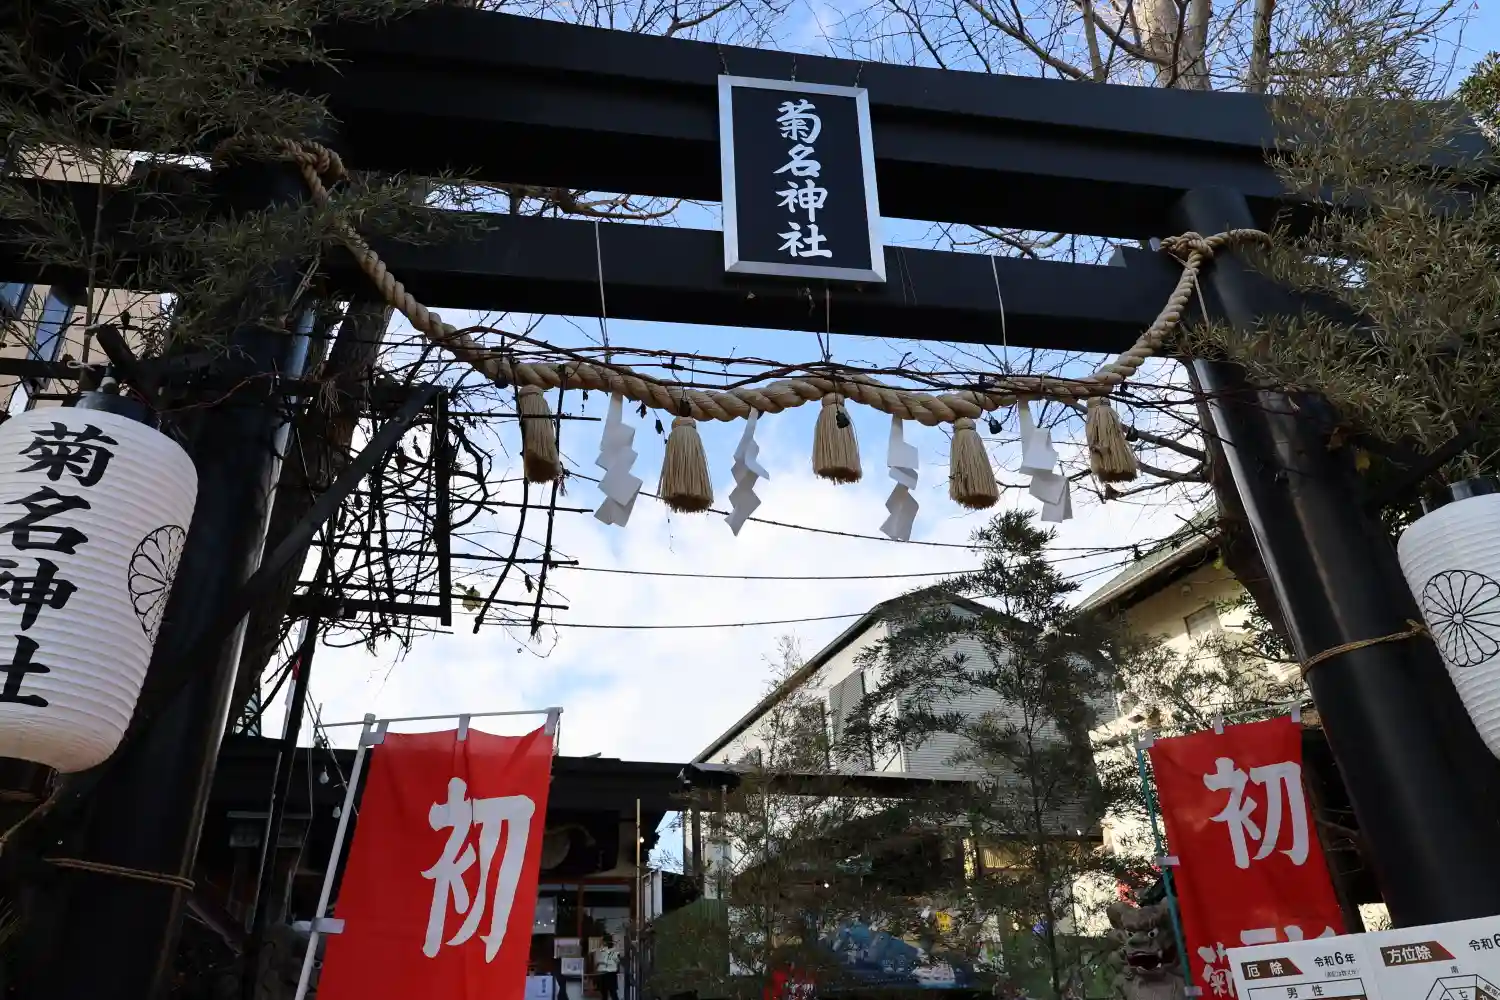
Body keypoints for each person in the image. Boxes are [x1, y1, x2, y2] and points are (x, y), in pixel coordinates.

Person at [593, 933, 621, 1000]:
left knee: (604, 994)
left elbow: (597, 962)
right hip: (612, 974)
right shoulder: (615, 951)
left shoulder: (600, 951)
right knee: (613, 993)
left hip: (603, 973)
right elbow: (618, 962)